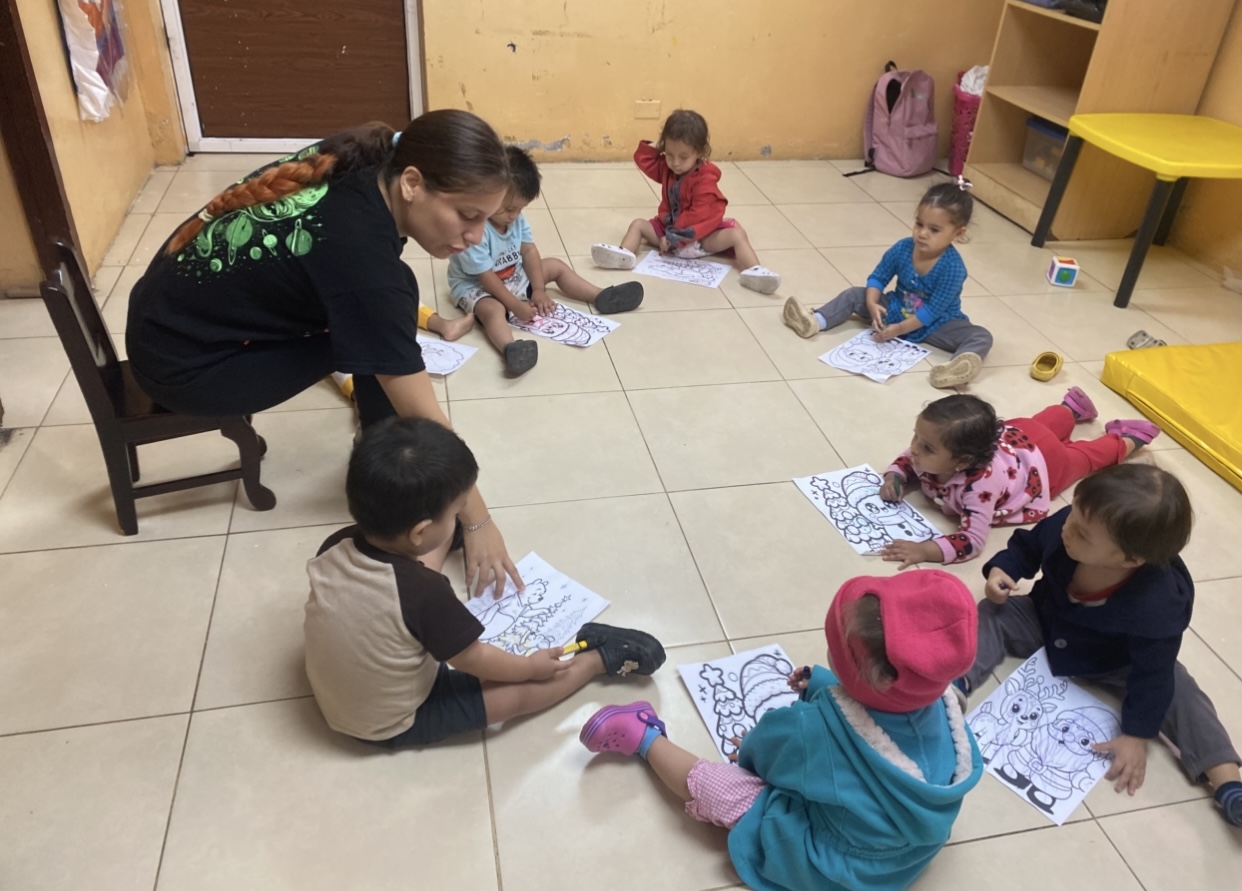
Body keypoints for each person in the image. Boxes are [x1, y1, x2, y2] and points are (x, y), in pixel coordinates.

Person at [124, 110, 520, 595]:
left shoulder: (374, 161)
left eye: (485, 220)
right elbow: (424, 412)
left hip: (162, 319)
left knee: (392, 301)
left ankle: (382, 440)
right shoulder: (358, 248)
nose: (476, 237)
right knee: (384, 324)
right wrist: (477, 520)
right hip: (188, 368)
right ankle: (397, 471)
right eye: (467, 216)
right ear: (413, 184)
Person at [580, 571, 983, 891]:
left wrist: (750, 752)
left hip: (834, 867)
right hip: (902, 861)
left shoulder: (811, 730)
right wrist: (821, 682)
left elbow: (763, 755)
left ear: (861, 674)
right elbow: (884, 710)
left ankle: (644, 736)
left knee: (726, 791)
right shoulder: (944, 710)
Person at [304, 416, 667, 749]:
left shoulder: (336, 545)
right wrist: (530, 668)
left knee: (421, 569)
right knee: (517, 695)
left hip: (343, 691)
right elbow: (473, 658)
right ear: (420, 531)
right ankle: (599, 662)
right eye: (457, 511)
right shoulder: (426, 596)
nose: (462, 517)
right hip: (389, 722)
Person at [957, 464, 1242, 827]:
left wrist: (1136, 735)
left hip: (1117, 661)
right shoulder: (1070, 526)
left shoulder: (1158, 605)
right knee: (991, 613)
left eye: (1082, 532)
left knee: (1178, 688)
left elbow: (1153, 676)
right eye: (1072, 514)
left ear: (1130, 559)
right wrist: (1005, 569)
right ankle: (954, 686)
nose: (1068, 528)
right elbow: (1029, 545)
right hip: (1045, 620)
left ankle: (1227, 781)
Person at [876, 391, 1159, 569]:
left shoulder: (979, 486)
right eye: (916, 436)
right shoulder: (936, 450)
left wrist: (925, 550)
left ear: (962, 462)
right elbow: (908, 458)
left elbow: (972, 540)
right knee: (1041, 424)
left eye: (927, 447)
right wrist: (895, 475)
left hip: (1046, 466)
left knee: (1084, 457)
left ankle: (1130, 438)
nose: (914, 448)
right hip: (1018, 434)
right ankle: (1070, 408)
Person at [448, 145, 643, 374]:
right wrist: (514, 305)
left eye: (520, 209)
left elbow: (529, 251)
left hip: (512, 275)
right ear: (487, 196)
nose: (514, 215)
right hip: (477, 285)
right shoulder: (474, 230)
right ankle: (510, 348)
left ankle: (601, 296)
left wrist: (539, 289)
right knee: (493, 310)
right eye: (508, 208)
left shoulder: (516, 219)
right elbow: (485, 276)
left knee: (555, 266)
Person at [782, 179, 990, 388]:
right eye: (919, 224)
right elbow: (879, 277)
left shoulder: (953, 268)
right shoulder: (903, 247)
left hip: (937, 323)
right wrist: (872, 303)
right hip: (894, 308)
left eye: (934, 230)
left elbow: (932, 311)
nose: (922, 233)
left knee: (980, 335)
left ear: (958, 233)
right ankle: (815, 321)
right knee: (855, 294)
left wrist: (899, 329)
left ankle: (954, 369)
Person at [590, 109, 781, 295]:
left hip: (700, 237)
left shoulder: (705, 178)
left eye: (683, 157)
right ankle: (624, 254)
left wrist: (674, 238)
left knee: (737, 235)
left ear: (699, 152)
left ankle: (755, 271)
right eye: (669, 154)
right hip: (668, 234)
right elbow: (644, 160)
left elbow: (699, 215)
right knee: (638, 224)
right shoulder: (668, 168)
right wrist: (661, 144)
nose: (675, 163)